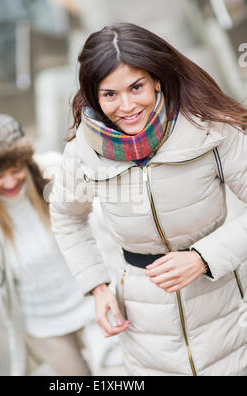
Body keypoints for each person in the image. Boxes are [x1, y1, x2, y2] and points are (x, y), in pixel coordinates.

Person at [49, 23, 247, 376]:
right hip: (144, 330)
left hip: (228, 316)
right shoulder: (82, 152)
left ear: (157, 79)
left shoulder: (210, 131)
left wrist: (203, 258)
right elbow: (66, 216)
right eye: (110, 94)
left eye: (136, 87)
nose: (126, 106)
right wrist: (97, 287)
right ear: (94, 95)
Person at [0, 114, 95, 376]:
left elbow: (98, 229)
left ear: (27, 162)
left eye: (15, 170)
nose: (9, 183)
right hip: (43, 326)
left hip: (94, 302)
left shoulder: (54, 174)